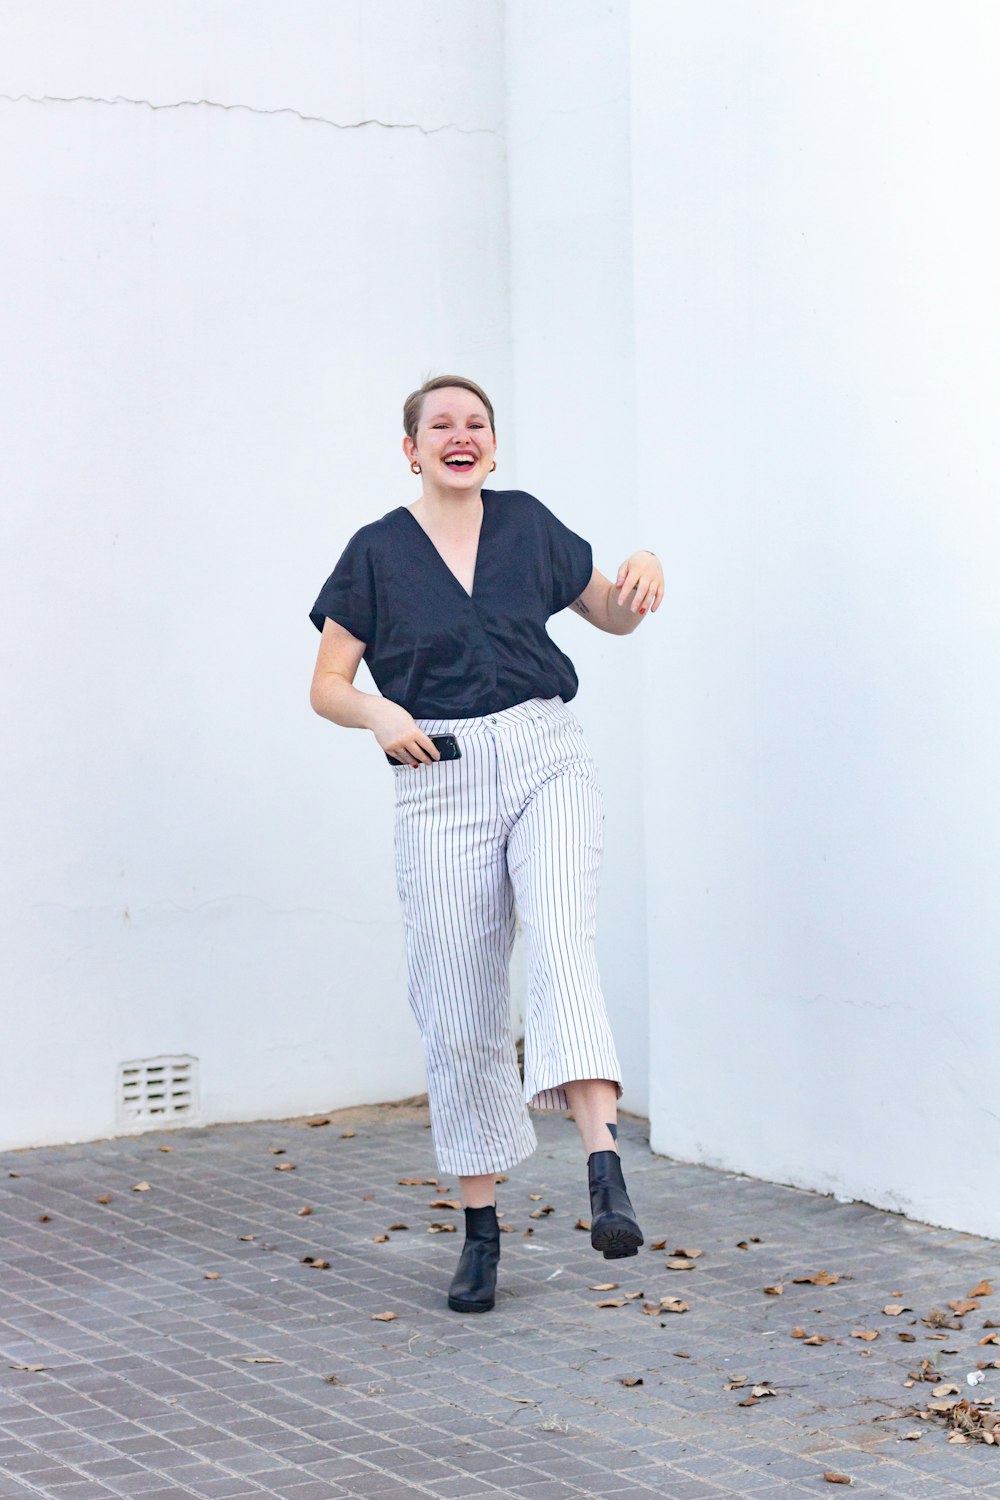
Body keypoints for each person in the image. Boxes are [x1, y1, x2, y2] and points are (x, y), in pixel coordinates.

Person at [309, 375, 663, 1314]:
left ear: (494, 448)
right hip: (441, 775)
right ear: (413, 449)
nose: (460, 437)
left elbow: (613, 615)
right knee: (458, 1001)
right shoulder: (378, 553)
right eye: (441, 426)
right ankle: (480, 1228)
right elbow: (328, 683)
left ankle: (603, 1167)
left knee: (561, 937)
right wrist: (380, 714)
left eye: (477, 424)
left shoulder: (529, 525)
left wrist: (642, 568)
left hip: (543, 752)